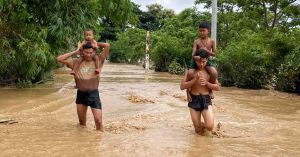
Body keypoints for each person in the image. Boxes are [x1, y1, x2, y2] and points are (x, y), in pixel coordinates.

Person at [57, 40, 110, 131]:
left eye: (91, 53)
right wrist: (75, 51)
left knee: (98, 121)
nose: (88, 55)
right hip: (81, 95)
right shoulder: (75, 63)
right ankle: (82, 142)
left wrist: (95, 43)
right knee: (82, 124)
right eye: (86, 52)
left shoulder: (99, 61)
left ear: (94, 52)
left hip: (94, 94)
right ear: (82, 52)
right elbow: (59, 59)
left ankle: (99, 139)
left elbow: (107, 45)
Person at [180, 50, 220, 135]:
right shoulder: (190, 71)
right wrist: (194, 80)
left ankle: (205, 133)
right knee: (198, 129)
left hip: (206, 99)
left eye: (204, 62)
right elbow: (182, 86)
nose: (201, 64)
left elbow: (217, 87)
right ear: (195, 60)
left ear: (207, 60)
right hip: (193, 100)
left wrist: (207, 83)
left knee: (209, 126)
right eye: (199, 62)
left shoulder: (210, 72)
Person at [187, 21, 218, 102]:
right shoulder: (196, 41)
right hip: (196, 60)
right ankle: (188, 92)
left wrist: (206, 50)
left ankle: (210, 90)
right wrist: (199, 58)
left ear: (208, 31)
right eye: (200, 30)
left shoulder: (212, 42)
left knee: (214, 72)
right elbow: (193, 54)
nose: (202, 32)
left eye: (203, 30)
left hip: (206, 60)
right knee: (190, 73)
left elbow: (214, 54)